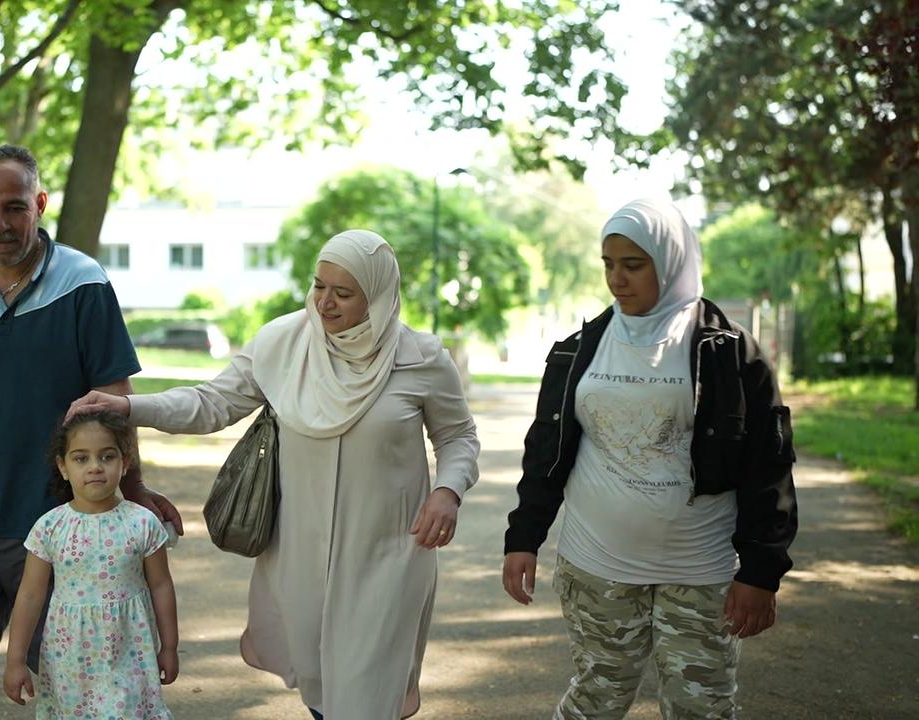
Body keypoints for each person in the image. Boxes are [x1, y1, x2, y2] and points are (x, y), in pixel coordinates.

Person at [69, 229, 480, 719]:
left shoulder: (422, 357)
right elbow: (211, 403)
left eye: (343, 293)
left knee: (369, 691)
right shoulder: (283, 343)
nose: (324, 303)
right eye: (319, 285)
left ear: (379, 294)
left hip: (388, 554)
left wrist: (447, 492)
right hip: (298, 554)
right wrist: (129, 407)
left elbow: (458, 436)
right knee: (322, 684)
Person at [0, 144, 181, 719]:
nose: (0, 224)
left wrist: (133, 485)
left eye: (15, 207)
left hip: (61, 516)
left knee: (73, 669)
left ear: (40, 204)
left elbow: (115, 395)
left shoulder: (82, 281)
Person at [501, 198, 798, 719]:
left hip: (699, 570)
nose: (617, 279)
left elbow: (766, 466)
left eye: (633, 265)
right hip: (597, 566)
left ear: (671, 262)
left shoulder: (729, 353)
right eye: (608, 264)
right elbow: (545, 450)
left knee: (700, 708)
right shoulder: (578, 350)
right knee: (597, 697)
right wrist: (523, 538)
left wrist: (761, 572)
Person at [3, 410, 178, 718]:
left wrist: (169, 647)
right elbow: (30, 596)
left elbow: (161, 585)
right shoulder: (50, 528)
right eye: (81, 459)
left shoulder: (142, 523)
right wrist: (15, 659)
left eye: (107, 457)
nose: (95, 467)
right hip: (69, 659)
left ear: (124, 463)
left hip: (130, 649)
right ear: (63, 467)